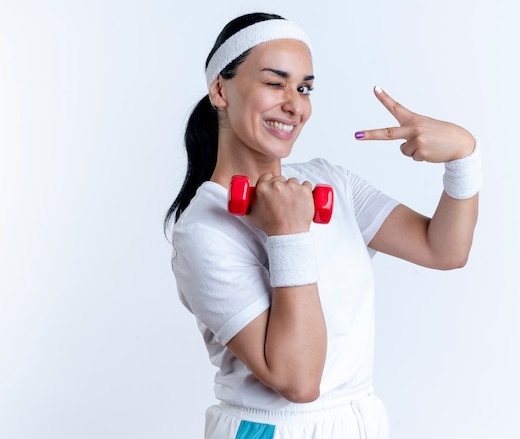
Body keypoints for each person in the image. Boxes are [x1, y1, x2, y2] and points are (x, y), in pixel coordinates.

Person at [165, 11, 481, 439]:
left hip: (358, 421)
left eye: (304, 87)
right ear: (220, 89)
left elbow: (443, 249)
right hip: (273, 428)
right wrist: (289, 234)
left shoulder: (330, 181)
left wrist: (463, 158)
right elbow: (298, 381)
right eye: (275, 83)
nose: (294, 104)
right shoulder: (203, 230)